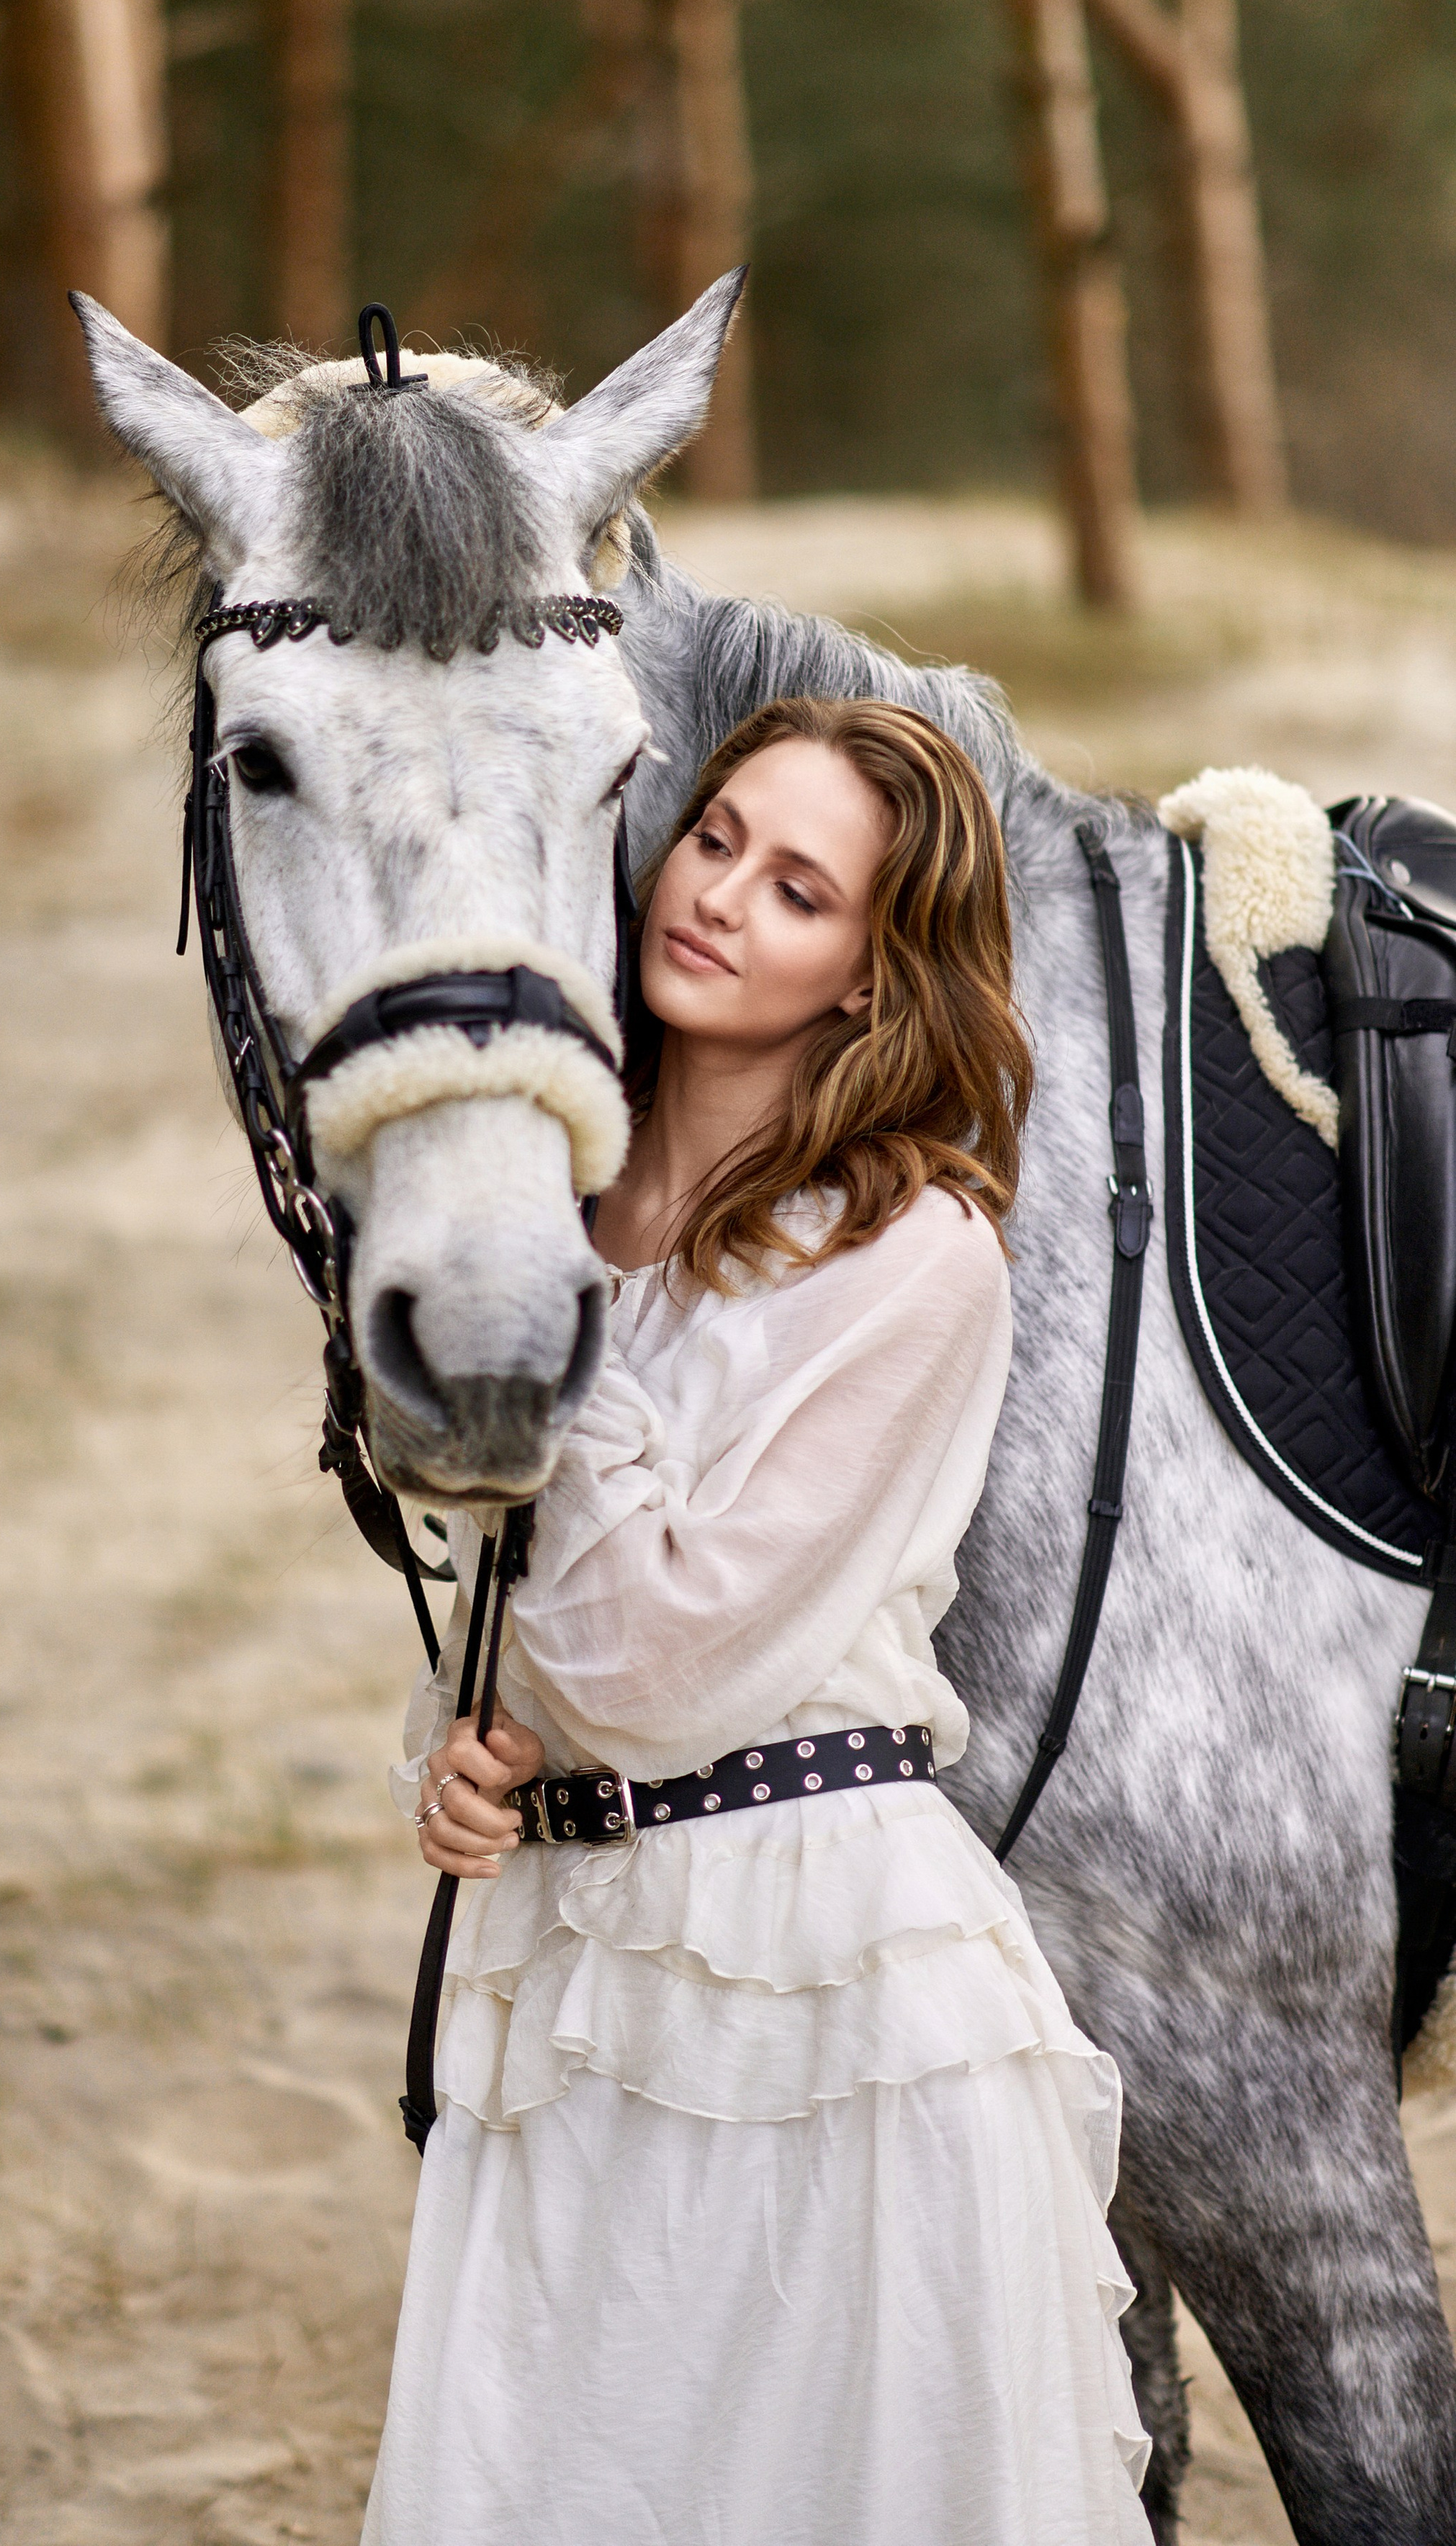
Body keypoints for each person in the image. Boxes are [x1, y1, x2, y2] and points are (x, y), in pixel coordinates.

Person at [364, 694, 1153, 2546]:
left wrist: (553, 1321)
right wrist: (463, 1752)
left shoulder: (909, 1255)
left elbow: (661, 1656)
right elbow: (523, 1616)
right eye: (715, 839)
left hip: (820, 1983)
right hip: (571, 1969)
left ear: (873, 978)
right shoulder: (542, 1192)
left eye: (798, 890)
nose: (717, 898)